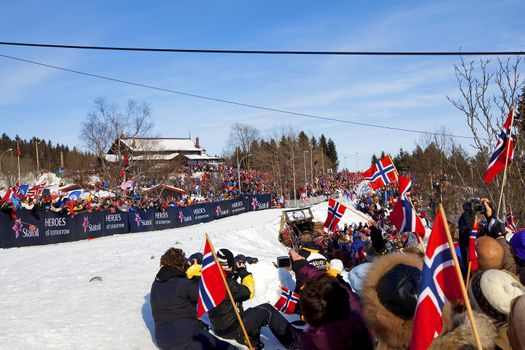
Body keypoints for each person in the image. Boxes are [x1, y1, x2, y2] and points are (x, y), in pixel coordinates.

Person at [208, 248, 298, 350]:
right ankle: (292, 341)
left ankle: (249, 337)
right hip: (233, 327)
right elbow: (248, 293)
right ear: (228, 264)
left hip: (220, 327)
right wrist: (243, 272)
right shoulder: (228, 283)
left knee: (254, 313)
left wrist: (234, 274)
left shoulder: (210, 276)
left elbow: (229, 294)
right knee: (266, 310)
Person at [149, 247, 236, 350]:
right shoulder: (182, 284)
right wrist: (198, 273)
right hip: (185, 340)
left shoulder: (155, 284)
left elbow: (175, 309)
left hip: (163, 340)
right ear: (180, 264)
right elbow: (205, 294)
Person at [289, 249, 373, 349]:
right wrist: (302, 265)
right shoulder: (357, 318)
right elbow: (338, 287)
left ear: (308, 317)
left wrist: (300, 264)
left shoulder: (310, 341)